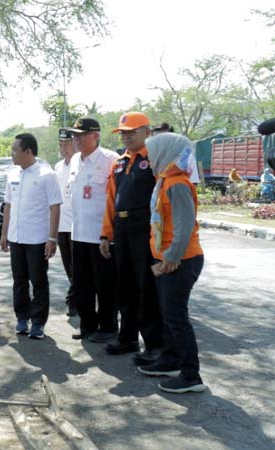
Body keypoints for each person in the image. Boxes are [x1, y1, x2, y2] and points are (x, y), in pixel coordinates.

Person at [137, 132, 206, 394]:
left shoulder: (177, 183)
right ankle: (171, 360)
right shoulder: (165, 180)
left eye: (153, 151)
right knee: (167, 314)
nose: (150, 157)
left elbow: (184, 226)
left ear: (165, 152)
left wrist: (170, 259)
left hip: (181, 260)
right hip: (169, 258)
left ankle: (191, 375)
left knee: (176, 317)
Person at [99, 112, 165, 362]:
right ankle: (126, 337)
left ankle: (155, 345)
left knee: (147, 288)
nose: (126, 137)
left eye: (132, 132)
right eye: (123, 133)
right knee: (124, 286)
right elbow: (110, 200)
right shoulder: (118, 163)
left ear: (147, 133)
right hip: (122, 226)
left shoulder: (155, 161)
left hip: (145, 228)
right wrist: (106, 234)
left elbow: (163, 200)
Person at [0, 133, 62, 339]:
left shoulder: (46, 175)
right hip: (16, 238)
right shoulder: (13, 175)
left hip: (37, 239)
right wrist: (4, 234)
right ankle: (22, 318)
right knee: (19, 281)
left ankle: (38, 323)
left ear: (28, 151)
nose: (12, 154)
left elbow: (55, 208)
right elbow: (8, 206)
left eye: (15, 150)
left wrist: (52, 239)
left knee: (38, 281)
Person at [64, 117, 119, 342]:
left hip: (101, 235)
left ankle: (107, 328)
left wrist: (109, 234)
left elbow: (115, 198)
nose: (76, 139)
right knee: (82, 284)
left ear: (95, 136)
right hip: (78, 232)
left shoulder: (110, 160)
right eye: (74, 135)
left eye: (81, 135)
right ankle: (88, 325)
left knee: (105, 285)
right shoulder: (76, 159)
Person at [54, 129, 78, 317]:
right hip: (62, 223)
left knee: (77, 266)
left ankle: (74, 300)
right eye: (61, 145)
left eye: (66, 144)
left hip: (77, 224)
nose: (63, 148)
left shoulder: (80, 162)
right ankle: (76, 295)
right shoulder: (58, 166)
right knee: (68, 264)